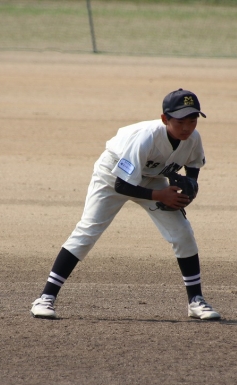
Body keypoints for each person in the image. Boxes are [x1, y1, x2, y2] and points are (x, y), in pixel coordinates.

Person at [30, 88, 220, 320]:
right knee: (88, 231)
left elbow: (193, 166)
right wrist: (161, 195)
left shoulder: (193, 139)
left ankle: (196, 301)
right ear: (165, 119)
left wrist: (189, 190)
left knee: (182, 232)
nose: (187, 127)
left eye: (192, 120)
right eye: (180, 121)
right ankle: (45, 298)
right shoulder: (146, 138)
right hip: (112, 175)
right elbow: (121, 185)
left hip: (151, 178)